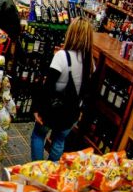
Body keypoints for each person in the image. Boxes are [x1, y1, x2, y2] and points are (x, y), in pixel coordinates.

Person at [30, 17, 94, 162]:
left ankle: (38, 169)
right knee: (59, 140)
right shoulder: (90, 63)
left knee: (38, 135)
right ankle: (52, 168)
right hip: (71, 112)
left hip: (52, 110)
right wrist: (80, 111)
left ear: (71, 34)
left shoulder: (61, 56)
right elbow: (85, 91)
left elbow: (48, 87)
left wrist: (37, 108)